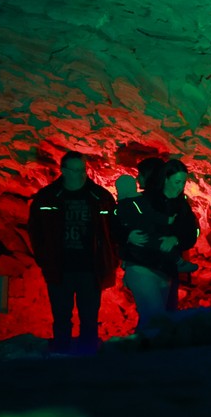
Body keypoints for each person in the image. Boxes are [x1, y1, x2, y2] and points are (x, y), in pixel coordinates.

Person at [26, 151, 119, 354]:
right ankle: (61, 351)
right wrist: (44, 258)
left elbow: (114, 231)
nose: (79, 174)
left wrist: (111, 260)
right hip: (60, 267)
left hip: (90, 267)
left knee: (89, 315)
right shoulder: (47, 197)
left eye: (82, 169)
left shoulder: (100, 197)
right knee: (61, 314)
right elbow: (35, 230)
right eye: (74, 170)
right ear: (63, 170)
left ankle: (88, 354)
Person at [140, 158, 200, 312]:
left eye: (183, 183)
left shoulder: (181, 205)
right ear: (166, 179)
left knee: (168, 311)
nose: (180, 187)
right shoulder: (148, 201)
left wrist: (176, 239)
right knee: (152, 314)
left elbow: (191, 233)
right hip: (147, 267)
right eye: (177, 182)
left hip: (169, 269)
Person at [115, 169, 171, 329]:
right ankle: (151, 347)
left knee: (154, 315)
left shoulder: (137, 205)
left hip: (155, 266)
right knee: (155, 315)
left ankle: (149, 346)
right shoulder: (133, 206)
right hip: (142, 267)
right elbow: (113, 230)